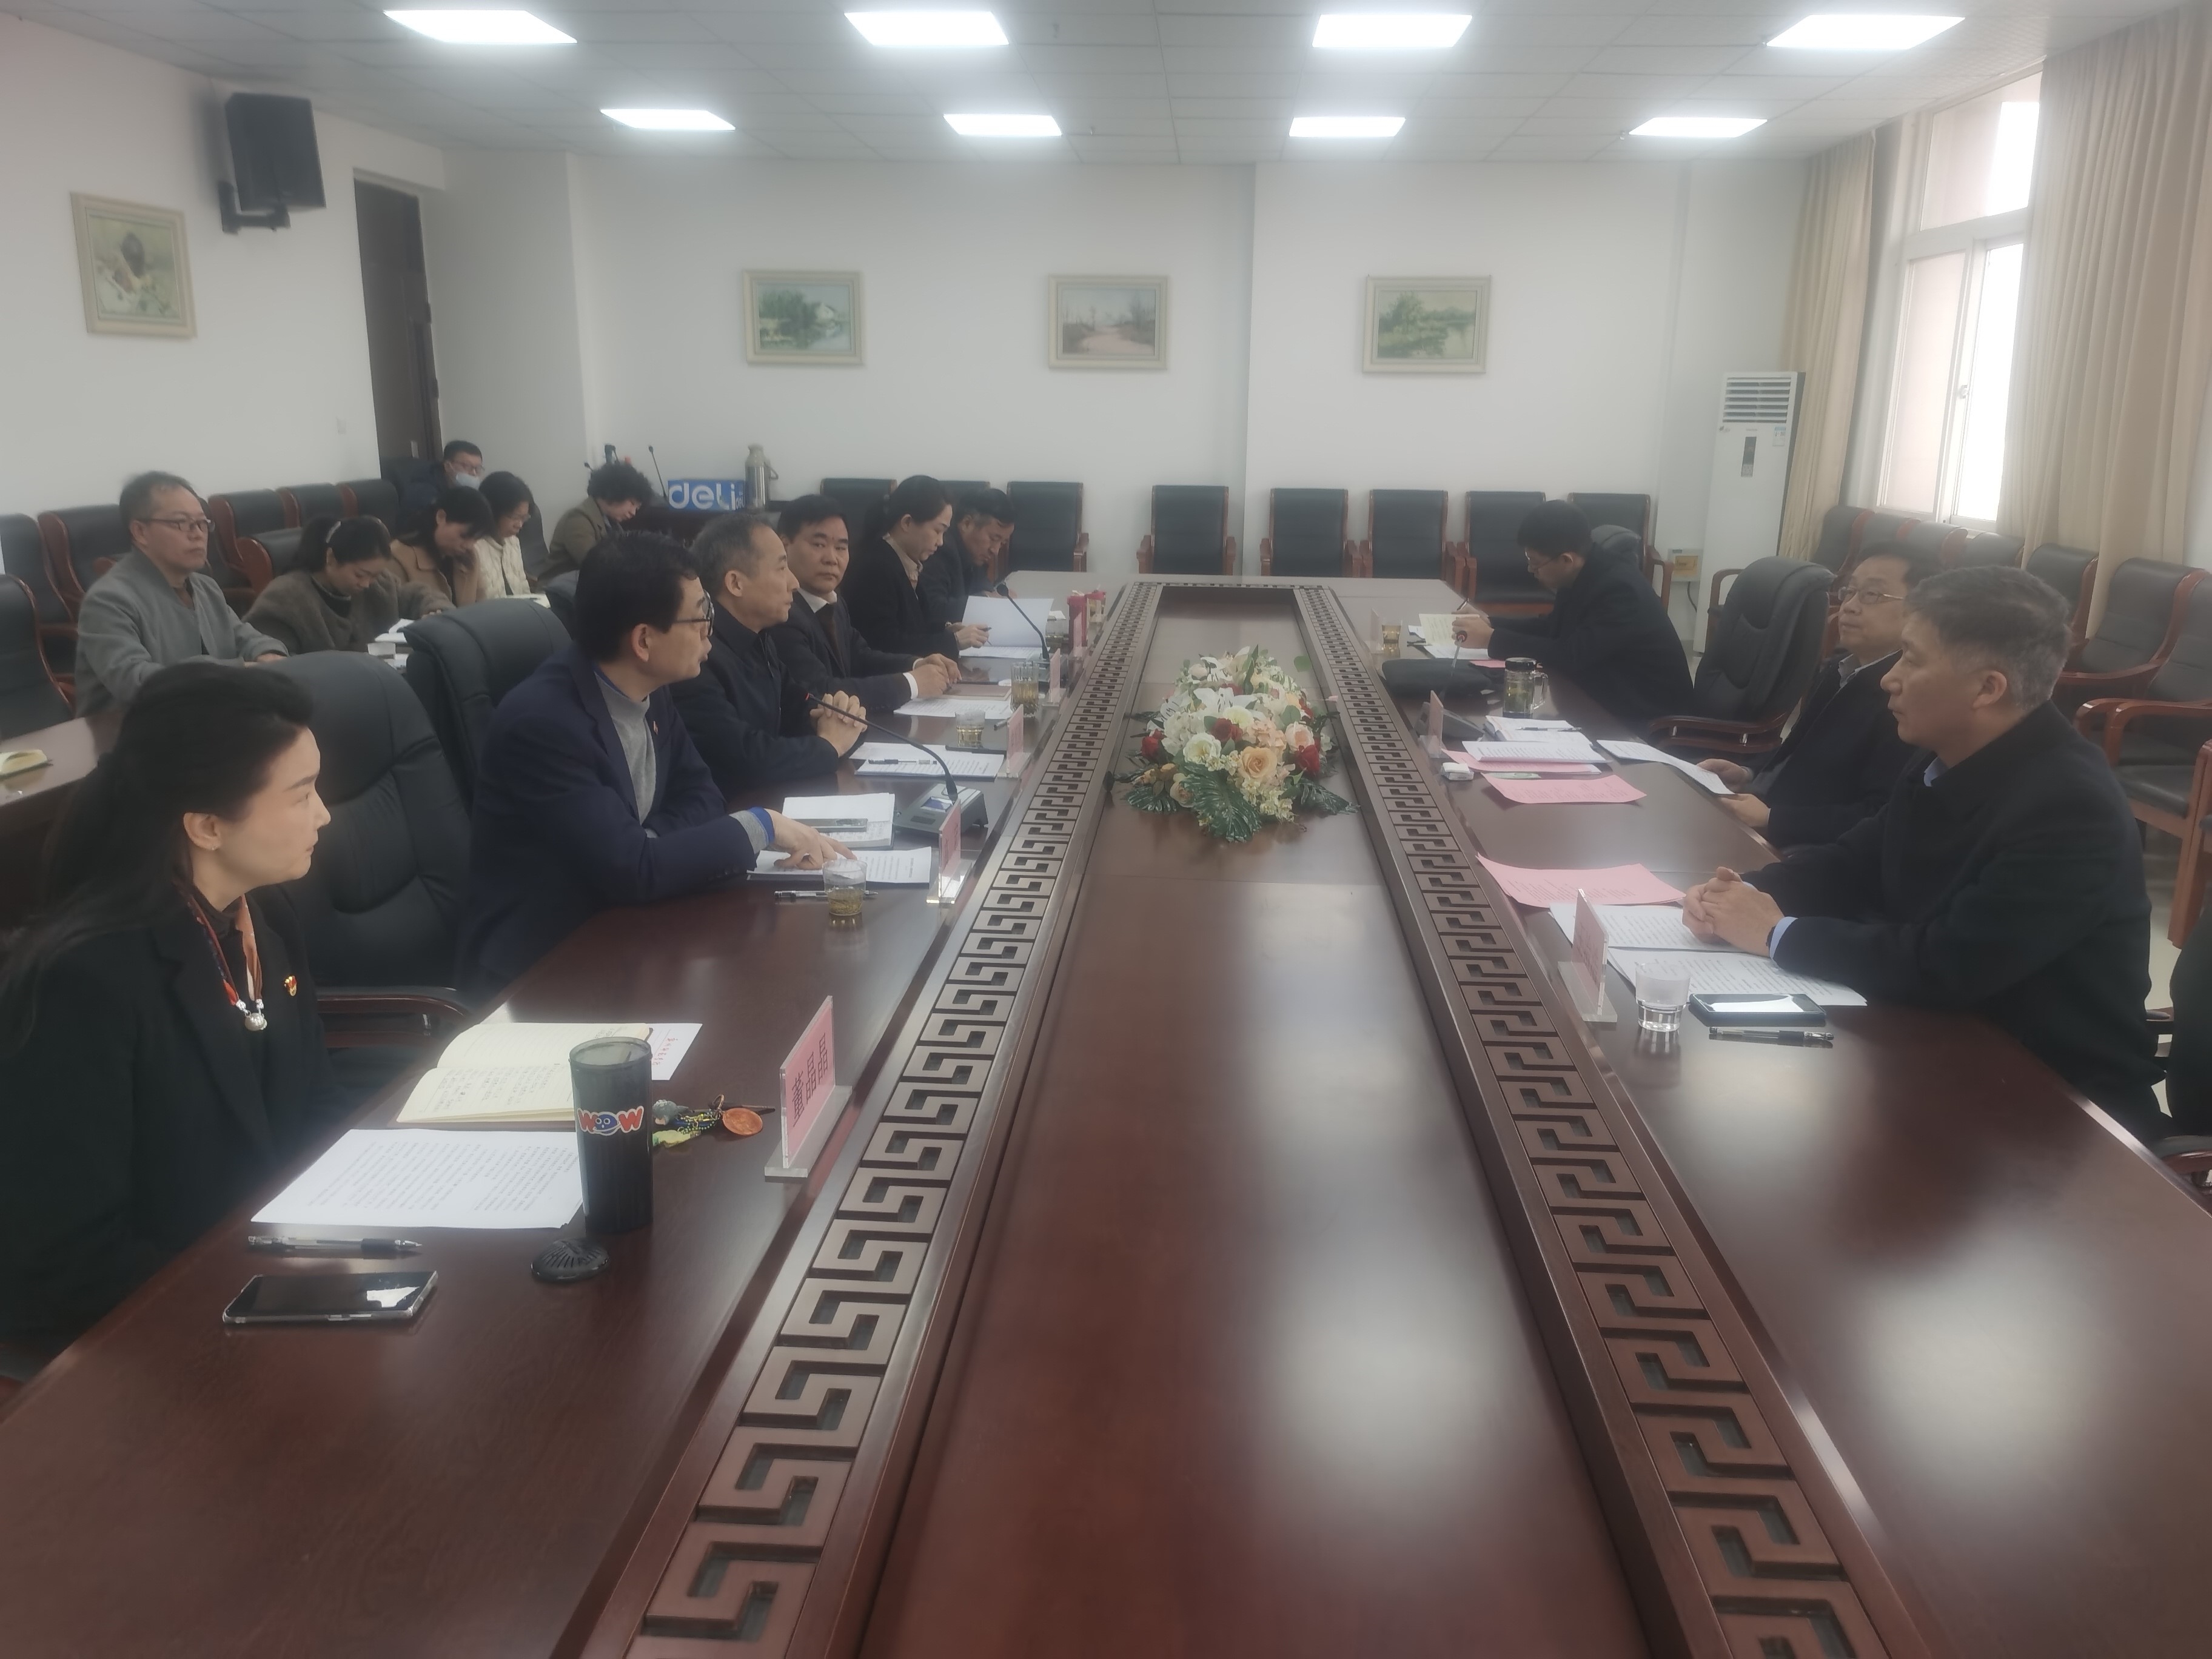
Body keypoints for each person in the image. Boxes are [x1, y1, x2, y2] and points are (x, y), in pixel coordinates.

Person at [1684, 566, 2162, 1139]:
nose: (1890, 679)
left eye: (1911, 659)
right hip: (1936, 1045)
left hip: (2056, 1107)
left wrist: (1773, 933)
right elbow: (1855, 860)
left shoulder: (2070, 809)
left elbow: (1946, 965)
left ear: (1987, 688)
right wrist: (1741, 892)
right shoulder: (1946, 754)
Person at [0, 663, 346, 1345]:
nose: (324, 814)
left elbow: (315, 1103)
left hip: (272, 1272)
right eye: (301, 794)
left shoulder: (265, 916)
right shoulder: (84, 982)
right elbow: (71, 1261)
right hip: (157, 1333)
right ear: (208, 826)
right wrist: (262, 1295)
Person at [455, 533, 850, 996]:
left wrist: (650, 845)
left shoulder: (651, 685)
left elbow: (703, 795)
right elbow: (636, 871)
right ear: (644, 640)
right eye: (701, 616)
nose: (710, 630)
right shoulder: (544, 724)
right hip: (541, 970)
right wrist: (761, 825)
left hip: (628, 925)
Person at [1695, 542, 1931, 848]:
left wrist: (1773, 819)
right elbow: (1799, 749)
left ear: (1921, 611)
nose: (1849, 606)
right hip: (1759, 809)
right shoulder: (1838, 668)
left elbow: (1880, 816)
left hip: (1800, 845)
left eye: (1872, 595)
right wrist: (1746, 773)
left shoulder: (1905, 699)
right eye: (1849, 591)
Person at [672, 512, 868, 794]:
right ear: (736, 583)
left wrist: (838, 718)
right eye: (781, 568)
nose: (794, 582)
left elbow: (799, 705)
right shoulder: (698, 655)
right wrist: (830, 745)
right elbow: (746, 758)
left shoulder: (760, 638)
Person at [1450, 500, 1691, 726]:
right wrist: (1491, 622)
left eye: (1535, 563)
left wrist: (1492, 639)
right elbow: (1553, 628)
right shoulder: (1583, 571)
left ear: (1566, 559)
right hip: (1602, 698)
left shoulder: (1621, 591)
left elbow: (1572, 654)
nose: (1531, 570)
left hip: (1646, 720)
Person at [74, 472, 289, 714]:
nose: (197, 534)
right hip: (128, 726)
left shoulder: (206, 587)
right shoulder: (108, 600)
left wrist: (269, 654)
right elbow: (135, 681)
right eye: (181, 523)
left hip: (202, 716)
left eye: (202, 523)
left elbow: (245, 637)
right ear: (140, 532)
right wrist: (238, 669)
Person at [767, 495, 960, 714]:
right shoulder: (781, 614)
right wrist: (912, 684)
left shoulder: (834, 602)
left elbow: (861, 657)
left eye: (841, 548)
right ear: (784, 546)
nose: (832, 559)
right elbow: (821, 692)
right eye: (819, 545)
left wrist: (916, 664)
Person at [245, 516, 448, 655]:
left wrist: (434, 610)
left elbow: (413, 594)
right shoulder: (286, 598)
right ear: (331, 558)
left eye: (375, 575)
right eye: (360, 575)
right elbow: (274, 659)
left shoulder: (378, 584)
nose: (367, 584)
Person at [842, 475, 991, 659]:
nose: (941, 542)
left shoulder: (904, 561)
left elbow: (915, 627)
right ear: (907, 523)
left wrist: (947, 630)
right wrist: (953, 641)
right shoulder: (875, 568)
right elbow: (885, 644)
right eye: (937, 531)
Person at [544, 460, 654, 586]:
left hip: (587, 587)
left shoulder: (610, 521)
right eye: (632, 503)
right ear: (615, 492)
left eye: (637, 508)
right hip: (559, 591)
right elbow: (594, 564)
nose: (633, 512)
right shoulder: (578, 519)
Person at [919, 488, 1012, 633]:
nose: (996, 550)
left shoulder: (975, 554)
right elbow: (934, 609)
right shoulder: (941, 549)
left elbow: (983, 589)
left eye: (1002, 543)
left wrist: (995, 598)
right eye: (994, 539)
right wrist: (987, 599)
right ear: (967, 524)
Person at [391, 486, 495, 608]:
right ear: (441, 517)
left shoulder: (470, 557)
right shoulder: (398, 558)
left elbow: (481, 607)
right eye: (464, 536)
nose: (469, 546)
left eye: (475, 539)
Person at [472, 471, 536, 600]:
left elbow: (523, 588)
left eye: (524, 518)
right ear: (492, 511)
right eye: (514, 517)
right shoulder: (473, 547)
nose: (520, 525)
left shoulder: (513, 542)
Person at [398, 439, 484, 522]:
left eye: (478, 468)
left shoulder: (465, 490)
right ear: (448, 466)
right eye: (467, 466)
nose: (474, 473)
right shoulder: (423, 492)